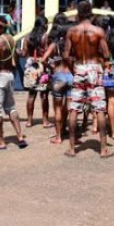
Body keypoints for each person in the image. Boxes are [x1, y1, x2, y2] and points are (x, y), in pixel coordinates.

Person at [62, 0, 112, 158]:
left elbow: (66, 55)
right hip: (94, 68)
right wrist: (104, 67)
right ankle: (103, 148)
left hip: (79, 67)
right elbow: (106, 54)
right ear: (91, 13)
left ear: (78, 13)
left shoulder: (72, 31)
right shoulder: (98, 31)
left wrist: (73, 70)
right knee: (99, 108)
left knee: (74, 108)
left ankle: (71, 148)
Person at [0, 17, 27, 150]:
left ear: (1, 27)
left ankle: (0, 141)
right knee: (11, 108)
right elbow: (14, 61)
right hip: (9, 75)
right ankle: (20, 136)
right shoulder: (10, 39)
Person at [41, 13, 72, 145]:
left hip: (58, 76)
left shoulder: (54, 45)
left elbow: (43, 59)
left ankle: (58, 136)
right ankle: (69, 133)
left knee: (58, 108)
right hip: (70, 76)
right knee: (69, 108)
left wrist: (51, 65)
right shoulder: (71, 45)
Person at [21, 16, 50, 128]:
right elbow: (48, 53)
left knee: (31, 95)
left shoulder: (27, 37)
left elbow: (23, 54)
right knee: (44, 95)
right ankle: (45, 121)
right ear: (44, 25)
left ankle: (29, 121)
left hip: (30, 65)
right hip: (42, 66)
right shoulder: (46, 38)